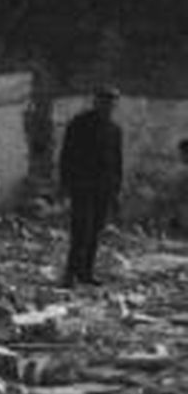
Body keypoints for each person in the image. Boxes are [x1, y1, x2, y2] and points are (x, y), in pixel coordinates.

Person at [58, 87, 124, 287]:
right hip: (82, 186)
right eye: (104, 101)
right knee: (81, 231)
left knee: (95, 231)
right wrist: (66, 184)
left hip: (103, 188)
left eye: (112, 103)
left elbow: (117, 162)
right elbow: (67, 155)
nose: (108, 106)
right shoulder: (80, 124)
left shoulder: (114, 129)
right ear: (96, 102)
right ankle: (70, 274)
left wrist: (116, 190)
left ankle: (86, 272)